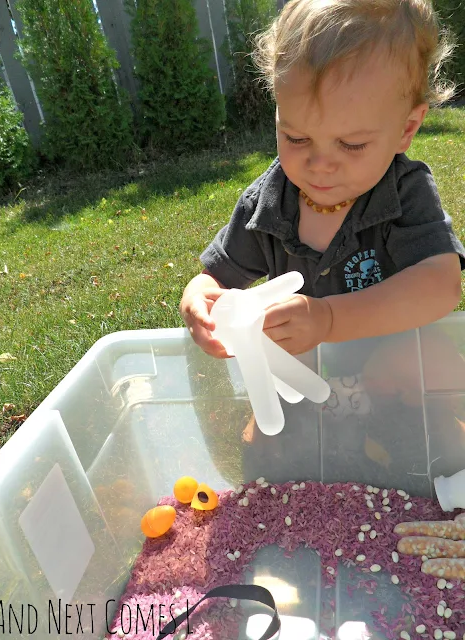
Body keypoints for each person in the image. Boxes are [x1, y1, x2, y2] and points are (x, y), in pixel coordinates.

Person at [179, 0, 465, 467]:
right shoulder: (268, 201)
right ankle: (295, 447)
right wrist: (200, 300)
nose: (319, 163)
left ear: (406, 128)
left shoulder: (404, 193)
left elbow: (441, 283)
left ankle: (440, 444)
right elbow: (217, 278)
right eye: (296, 138)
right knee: (269, 454)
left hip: (391, 379)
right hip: (299, 383)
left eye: (352, 144)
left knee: (433, 363)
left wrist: (330, 319)